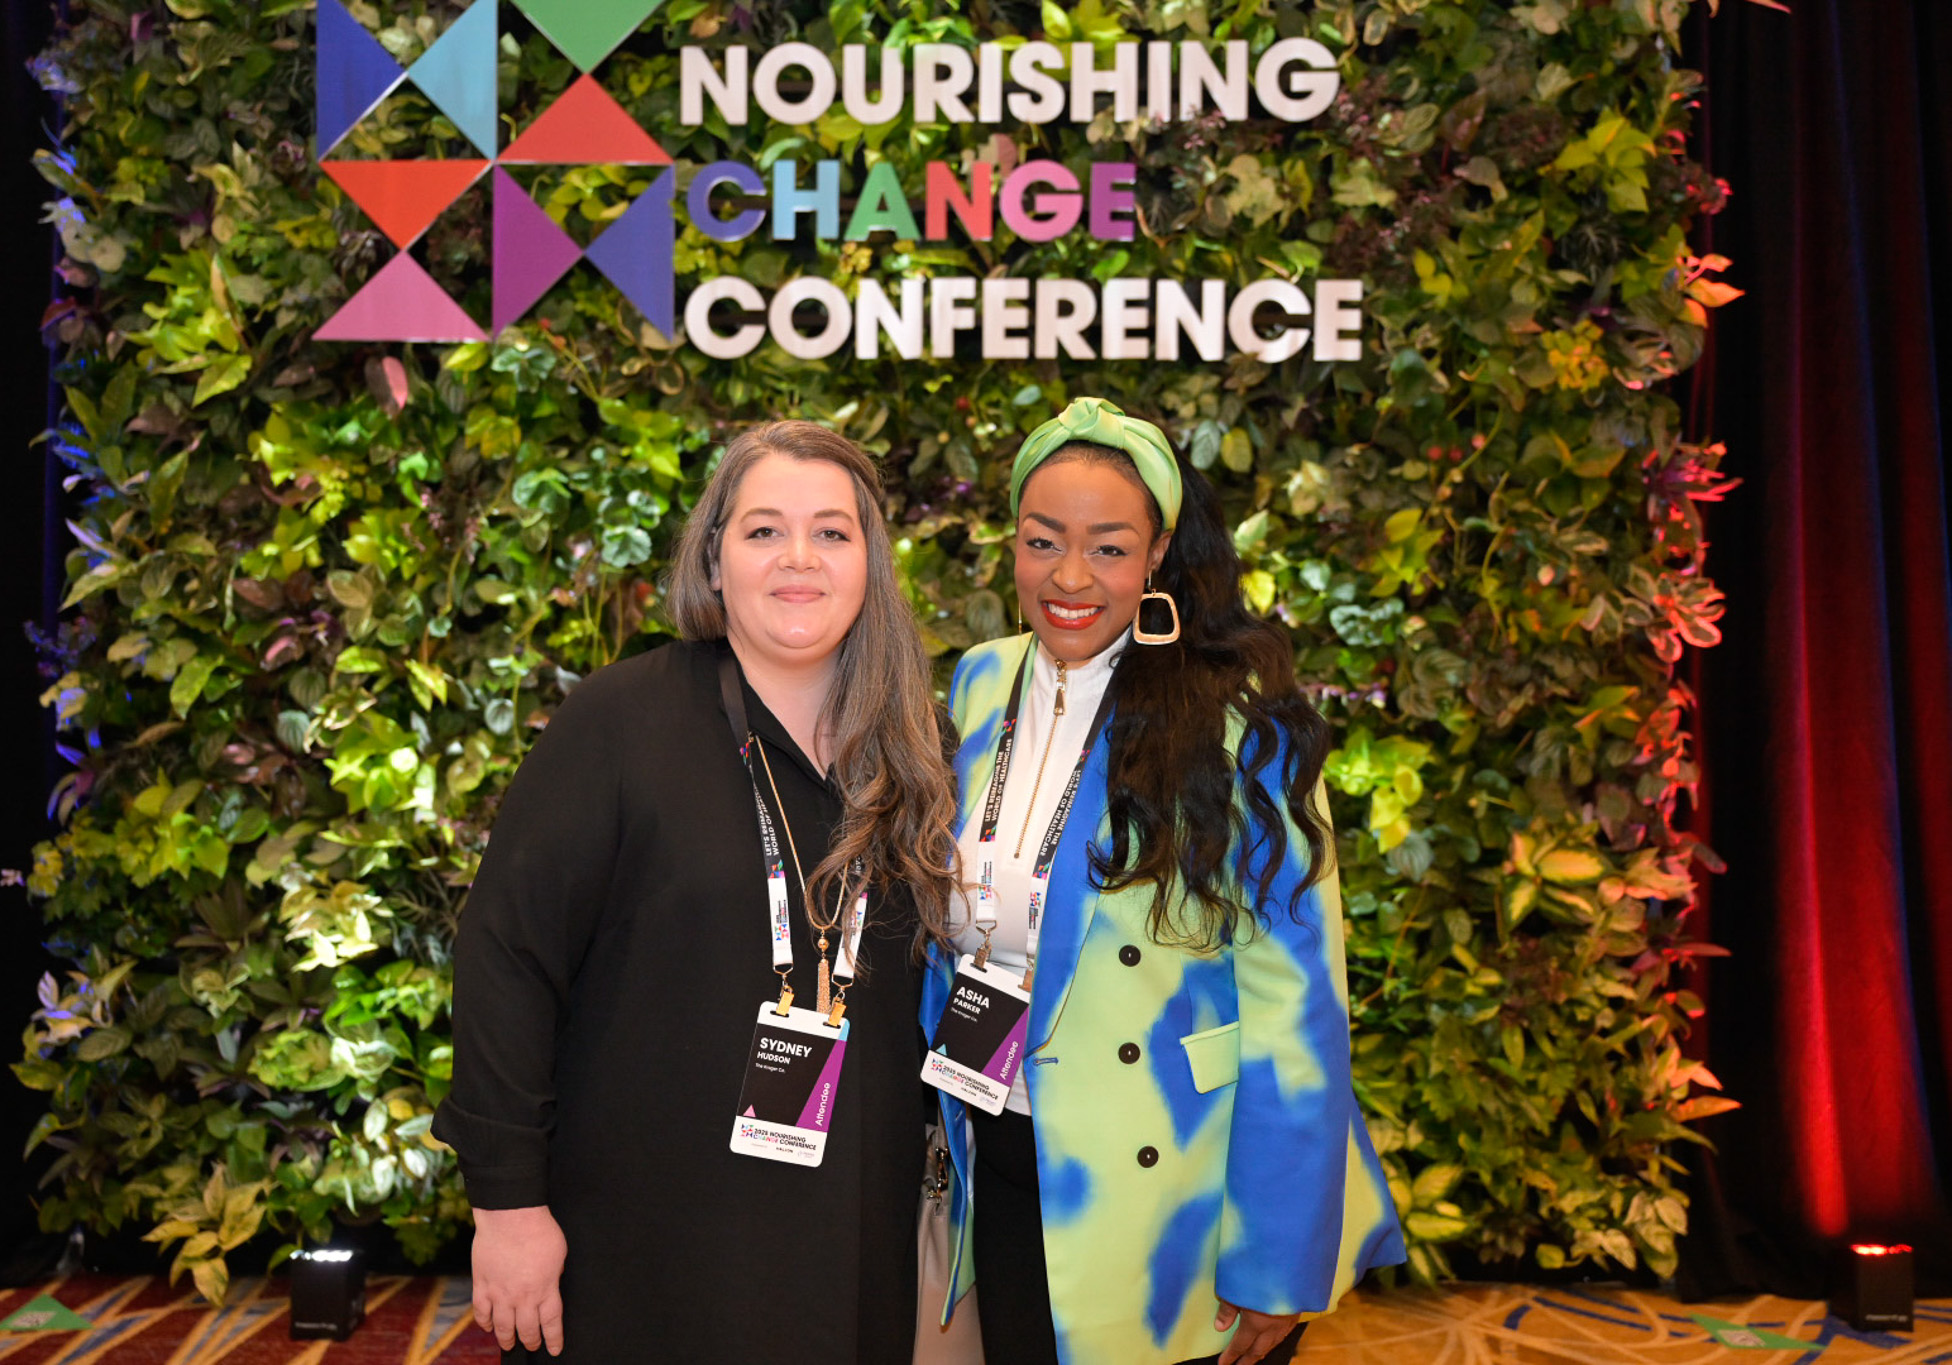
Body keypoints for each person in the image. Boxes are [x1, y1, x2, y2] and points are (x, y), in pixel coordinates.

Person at [436, 421, 957, 1363]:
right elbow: (506, 959)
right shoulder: (620, 721)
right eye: (763, 530)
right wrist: (507, 1205)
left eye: (831, 532)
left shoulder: (920, 750)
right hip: (642, 1247)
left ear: (871, 562)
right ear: (714, 560)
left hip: (851, 1241)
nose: (799, 558)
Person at [918, 398, 1406, 1365]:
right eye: (1043, 541)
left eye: (1107, 547)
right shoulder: (979, 680)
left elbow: (1296, 1011)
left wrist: (1276, 1257)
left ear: (1160, 554)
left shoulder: (1241, 724)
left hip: (1175, 1199)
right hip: (1007, 1159)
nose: (1069, 577)